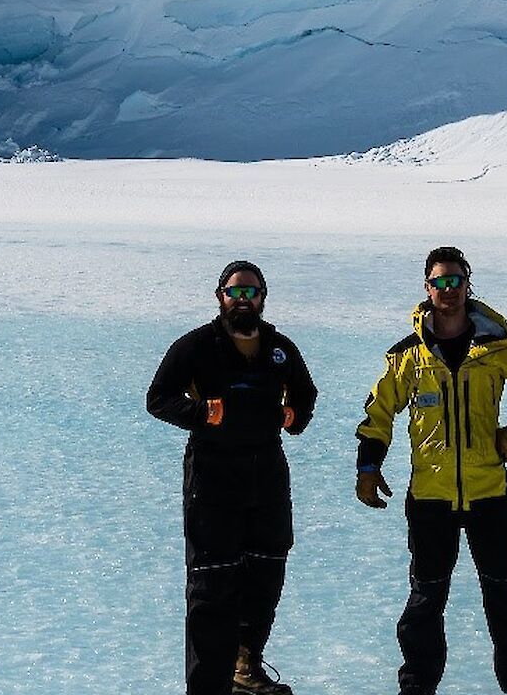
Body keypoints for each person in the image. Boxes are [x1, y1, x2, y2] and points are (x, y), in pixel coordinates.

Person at [354, 246, 507, 695]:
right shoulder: (408, 357)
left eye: (456, 282)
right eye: (439, 283)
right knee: (426, 599)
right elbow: (379, 413)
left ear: (468, 286)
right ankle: (417, 687)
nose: (448, 291)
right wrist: (369, 467)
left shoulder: (496, 346)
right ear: (427, 288)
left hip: (489, 491)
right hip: (430, 497)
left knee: (505, 594)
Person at [146, 261, 319, 695]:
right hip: (213, 478)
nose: (243, 300)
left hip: (267, 476)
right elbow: (158, 398)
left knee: (266, 572)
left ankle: (246, 667)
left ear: (263, 297)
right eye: (234, 292)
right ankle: (208, 687)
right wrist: (199, 414)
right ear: (219, 296)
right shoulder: (197, 347)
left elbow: (306, 393)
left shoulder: (280, 349)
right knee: (212, 584)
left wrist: (294, 416)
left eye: (251, 293)